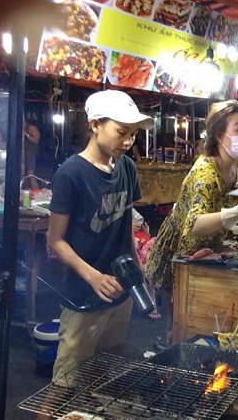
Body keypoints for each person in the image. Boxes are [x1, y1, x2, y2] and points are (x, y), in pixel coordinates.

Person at [46, 90, 155, 384]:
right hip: (83, 296)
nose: (129, 141)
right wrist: (94, 277)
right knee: (65, 383)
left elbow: (126, 224)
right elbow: (55, 240)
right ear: (95, 124)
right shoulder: (71, 173)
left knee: (103, 376)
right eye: (122, 132)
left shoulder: (127, 167)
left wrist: (138, 267)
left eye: (133, 134)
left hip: (120, 292)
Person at [145, 100, 238, 345]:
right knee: (182, 328)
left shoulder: (233, 165)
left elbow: (230, 190)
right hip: (178, 255)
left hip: (206, 251)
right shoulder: (206, 172)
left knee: (204, 325)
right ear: (218, 134)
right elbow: (194, 224)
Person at [23, 115, 41, 189]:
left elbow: (37, 141)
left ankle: (37, 193)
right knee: (22, 175)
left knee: (30, 175)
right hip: (22, 155)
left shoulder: (31, 128)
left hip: (30, 155)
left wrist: (26, 134)